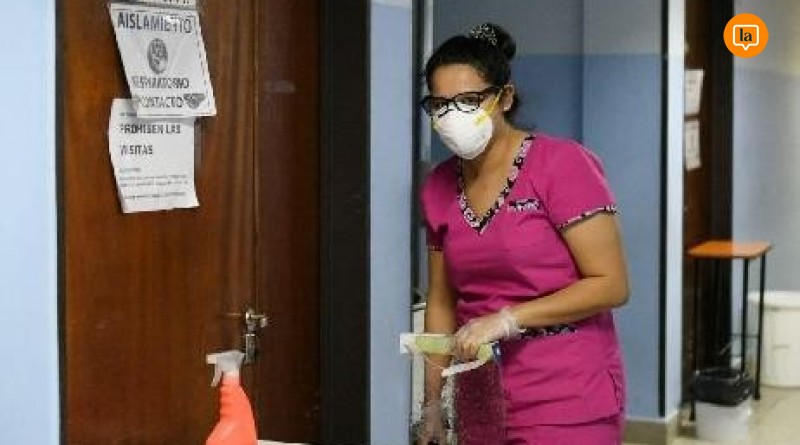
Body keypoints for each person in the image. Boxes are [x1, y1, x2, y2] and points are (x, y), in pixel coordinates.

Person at [417, 23, 629, 445]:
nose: (452, 116)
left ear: (505, 98)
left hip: (567, 392)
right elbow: (441, 301)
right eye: (440, 105)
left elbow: (611, 284)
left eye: (469, 101)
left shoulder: (562, 165)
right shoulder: (439, 186)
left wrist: (508, 319)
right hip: (479, 391)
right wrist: (432, 402)